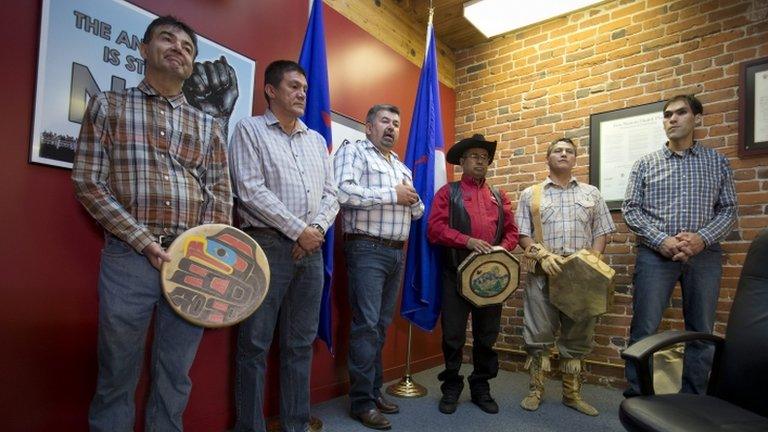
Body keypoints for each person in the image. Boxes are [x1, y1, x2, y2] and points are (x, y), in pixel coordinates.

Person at [71, 16, 232, 432]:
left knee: (175, 376)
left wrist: (205, 254)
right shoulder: (109, 105)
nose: (178, 48)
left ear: (193, 65)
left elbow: (219, 194)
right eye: (167, 38)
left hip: (191, 262)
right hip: (128, 260)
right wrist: (144, 241)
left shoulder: (209, 126)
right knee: (116, 375)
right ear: (144, 50)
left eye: (188, 46)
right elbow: (89, 183)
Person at [228, 60, 339, 432]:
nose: (302, 93)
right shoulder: (250, 130)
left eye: (304, 88)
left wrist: (315, 230)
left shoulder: (316, 140)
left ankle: (295, 424)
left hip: (311, 249)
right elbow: (249, 190)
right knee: (254, 345)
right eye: (293, 86)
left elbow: (332, 193)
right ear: (271, 90)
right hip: (267, 247)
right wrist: (298, 231)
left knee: (299, 345)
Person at [622, 94, 737, 397]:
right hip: (655, 256)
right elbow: (631, 209)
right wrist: (662, 240)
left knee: (700, 330)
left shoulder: (717, 162)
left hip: (704, 256)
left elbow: (728, 209)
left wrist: (702, 239)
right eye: (667, 114)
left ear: (696, 118)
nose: (672, 119)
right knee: (644, 329)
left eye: (680, 113)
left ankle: (693, 398)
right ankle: (638, 395)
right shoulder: (645, 164)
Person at [334, 104, 424, 430]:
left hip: (395, 253)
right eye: (384, 121)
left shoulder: (400, 166)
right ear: (368, 126)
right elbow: (342, 191)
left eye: (396, 123)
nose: (391, 127)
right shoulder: (355, 151)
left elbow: (416, 209)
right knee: (366, 325)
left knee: (380, 326)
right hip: (366, 249)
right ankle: (361, 403)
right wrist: (392, 194)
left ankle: (373, 390)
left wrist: (414, 201)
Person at [515, 137, 615, 416]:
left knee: (578, 334)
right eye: (557, 150)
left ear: (575, 159)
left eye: (569, 151)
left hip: (580, 278)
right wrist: (541, 254)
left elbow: (601, 231)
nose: (563, 154)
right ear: (548, 158)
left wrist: (592, 262)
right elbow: (523, 235)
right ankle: (535, 390)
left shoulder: (591, 193)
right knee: (538, 334)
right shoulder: (530, 194)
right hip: (542, 274)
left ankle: (572, 394)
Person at [427, 134, 519, 415]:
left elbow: (512, 232)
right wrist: (466, 241)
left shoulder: (498, 196)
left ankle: (481, 386)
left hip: (490, 278)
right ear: (463, 161)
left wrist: (500, 251)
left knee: (486, 336)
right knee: (453, 335)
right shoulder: (448, 193)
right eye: (474, 156)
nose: (481, 160)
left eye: (485, 157)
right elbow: (435, 229)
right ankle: (451, 386)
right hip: (455, 274)